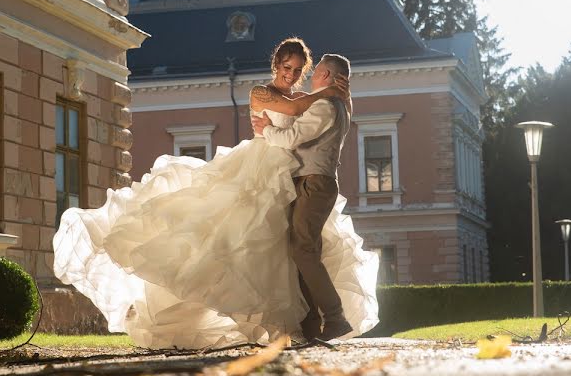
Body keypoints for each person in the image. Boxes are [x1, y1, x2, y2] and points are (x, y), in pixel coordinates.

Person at [52, 38, 378, 349]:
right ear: (275, 64)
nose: (290, 74)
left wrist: (332, 97)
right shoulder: (263, 92)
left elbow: (299, 119)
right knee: (242, 237)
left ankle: (309, 323)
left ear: (307, 73)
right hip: (266, 166)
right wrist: (332, 95)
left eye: (296, 70)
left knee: (284, 251)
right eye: (285, 67)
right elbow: (293, 114)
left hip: (292, 176)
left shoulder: (311, 101)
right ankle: (310, 322)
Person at [251, 53, 355, 341]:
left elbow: (290, 138)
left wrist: (266, 130)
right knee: (303, 253)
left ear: (326, 77)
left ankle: (335, 317)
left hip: (314, 183)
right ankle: (311, 325)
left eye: (315, 71)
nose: (309, 76)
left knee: (303, 251)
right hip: (309, 183)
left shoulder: (325, 106)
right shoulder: (337, 105)